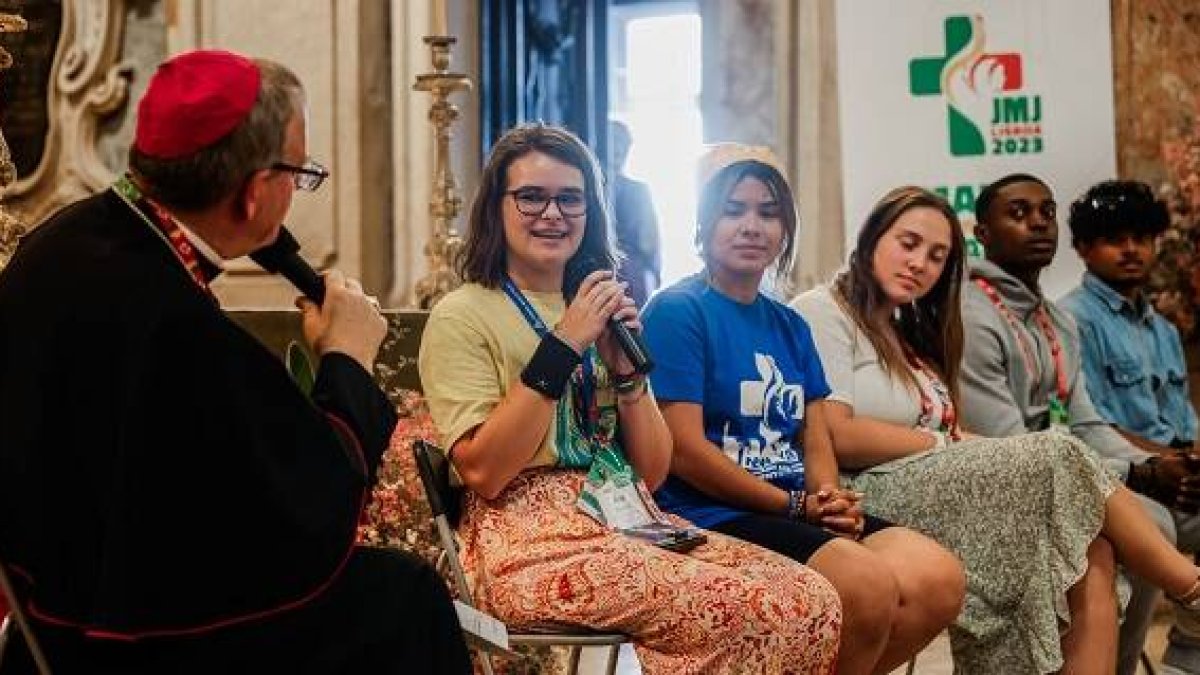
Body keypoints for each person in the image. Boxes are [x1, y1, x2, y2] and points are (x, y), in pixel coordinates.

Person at [0, 50, 470, 674]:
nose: (297, 189)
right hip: (154, 646)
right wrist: (347, 358)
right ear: (252, 194)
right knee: (407, 596)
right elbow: (304, 515)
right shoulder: (177, 326)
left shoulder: (57, 242)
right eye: (300, 173)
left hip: (51, 627)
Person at [418, 124, 841, 674]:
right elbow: (485, 472)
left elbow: (654, 471)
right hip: (528, 540)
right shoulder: (464, 313)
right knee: (758, 608)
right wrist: (565, 344)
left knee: (813, 599)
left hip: (627, 519)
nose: (553, 214)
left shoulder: (596, 305)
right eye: (530, 197)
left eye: (571, 198)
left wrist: (627, 377)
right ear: (495, 208)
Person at [792, 184, 1200, 674]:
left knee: (1091, 547)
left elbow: (960, 432)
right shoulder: (824, 309)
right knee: (1055, 452)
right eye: (908, 243)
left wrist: (953, 441)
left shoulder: (910, 332)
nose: (920, 262)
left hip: (936, 488)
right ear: (871, 236)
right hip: (865, 493)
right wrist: (943, 441)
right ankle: (1191, 588)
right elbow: (838, 435)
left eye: (937, 255)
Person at [640, 145, 963, 675]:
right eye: (734, 210)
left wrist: (828, 499)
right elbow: (685, 452)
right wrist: (792, 506)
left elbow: (814, 434)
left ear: (786, 230)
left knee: (937, 578)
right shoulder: (678, 311)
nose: (752, 226)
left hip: (789, 502)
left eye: (768, 213)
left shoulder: (788, 323)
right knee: (865, 584)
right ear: (704, 221)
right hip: (707, 511)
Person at [961, 173, 1200, 675]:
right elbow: (1009, 445)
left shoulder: (1054, 320)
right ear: (982, 231)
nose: (1037, 224)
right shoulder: (971, 311)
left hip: (1071, 470)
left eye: (1045, 212)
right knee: (1150, 520)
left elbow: (1088, 422)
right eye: (1019, 213)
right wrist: (1141, 474)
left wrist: (1154, 466)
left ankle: (1158, 658)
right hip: (1002, 477)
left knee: (1153, 514)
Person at [1060, 179, 1200, 674]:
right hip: (1120, 476)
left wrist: (1190, 461)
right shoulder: (1071, 320)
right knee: (1150, 528)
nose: (1131, 249)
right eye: (1115, 238)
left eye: (1142, 237)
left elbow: (1181, 417)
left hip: (1174, 476)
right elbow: (1090, 425)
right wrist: (1161, 463)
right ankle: (1115, 667)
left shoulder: (1160, 328)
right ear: (1082, 247)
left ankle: (1188, 654)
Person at [609, 120, 661, 306]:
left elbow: (650, 241)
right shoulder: (584, 188)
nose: (618, 150)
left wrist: (653, 274)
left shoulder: (639, 190)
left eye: (622, 144)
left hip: (632, 273)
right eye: (613, 142)